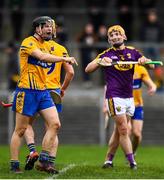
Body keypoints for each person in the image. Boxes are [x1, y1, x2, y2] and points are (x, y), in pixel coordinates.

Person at [10, 16, 77, 174]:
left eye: (51, 26)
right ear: (37, 29)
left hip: (43, 92)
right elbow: (41, 57)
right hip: (26, 91)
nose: (49, 29)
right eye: (45, 26)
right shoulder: (28, 42)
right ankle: (14, 164)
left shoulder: (47, 45)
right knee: (20, 130)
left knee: (55, 124)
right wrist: (63, 58)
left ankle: (44, 160)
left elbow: (49, 57)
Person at [85, 25, 153, 169]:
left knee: (118, 130)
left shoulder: (133, 52)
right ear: (109, 40)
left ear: (124, 37)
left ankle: (108, 160)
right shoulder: (106, 54)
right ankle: (132, 161)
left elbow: (151, 66)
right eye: (112, 35)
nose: (115, 37)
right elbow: (88, 69)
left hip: (129, 98)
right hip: (114, 96)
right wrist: (99, 62)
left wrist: (144, 61)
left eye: (118, 34)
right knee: (123, 129)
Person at [103, 64, 157, 166]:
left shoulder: (140, 69)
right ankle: (110, 159)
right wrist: (105, 104)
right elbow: (108, 86)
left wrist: (153, 87)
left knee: (136, 134)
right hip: (121, 104)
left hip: (137, 106)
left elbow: (151, 83)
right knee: (122, 131)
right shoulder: (119, 67)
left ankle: (132, 152)